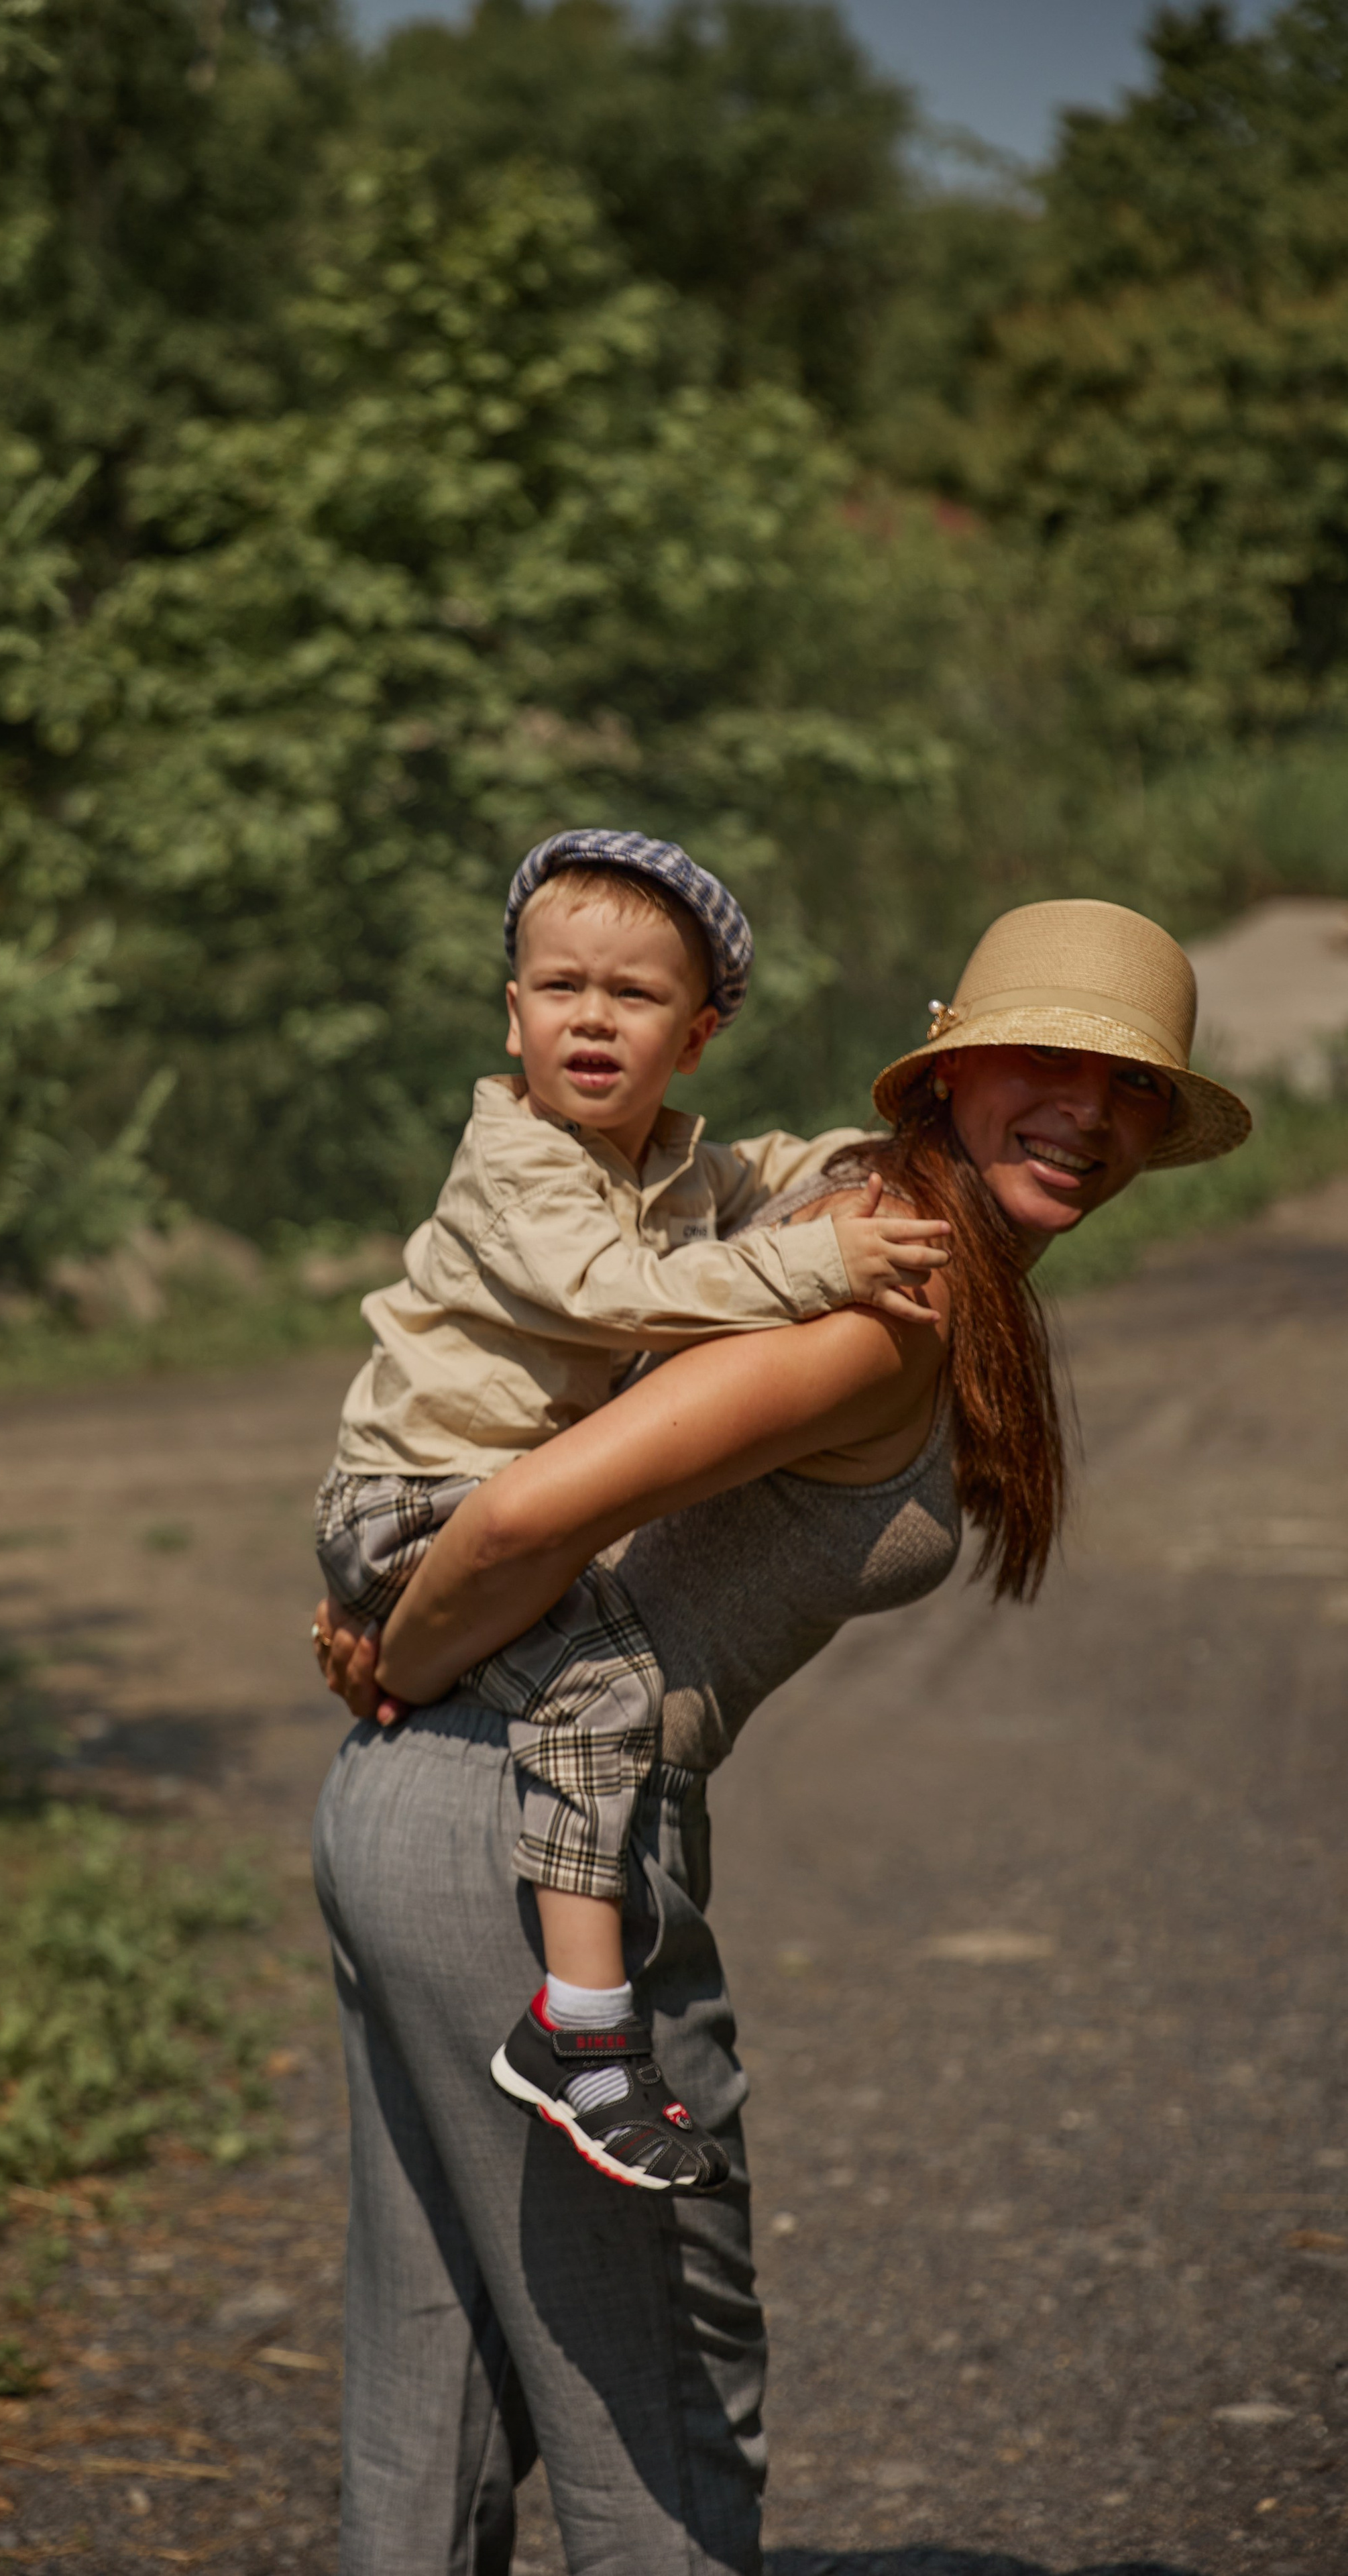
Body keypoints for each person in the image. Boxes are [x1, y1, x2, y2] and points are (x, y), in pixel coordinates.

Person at [310, 897, 1252, 2576]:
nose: (1087, 1116)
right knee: (658, 2417)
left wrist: (415, 1676)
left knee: (433, 2390)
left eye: (1129, 1091)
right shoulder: (870, 1301)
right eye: (1046, 1062)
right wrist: (405, 1649)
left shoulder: (843, 1216)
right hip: (536, 1838)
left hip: (428, 1814)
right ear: (948, 1074)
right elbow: (532, 1509)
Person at [314, 828, 948, 2192]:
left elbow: (776, 1175)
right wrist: (822, 1263)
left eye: (633, 996)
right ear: (512, 1011)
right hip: (414, 1500)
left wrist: (899, 1162)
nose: (589, 1018)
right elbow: (606, 1292)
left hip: (462, 1502)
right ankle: (582, 2035)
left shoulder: (659, 1157)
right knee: (602, 1683)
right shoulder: (519, 1162)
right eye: (558, 987)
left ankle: (581, 2024)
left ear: (696, 1036)